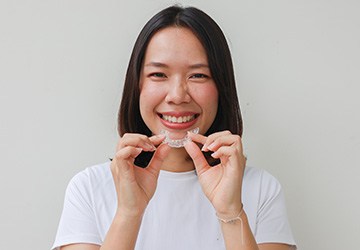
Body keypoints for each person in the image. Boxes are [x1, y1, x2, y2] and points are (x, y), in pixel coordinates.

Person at [52, 5, 296, 250]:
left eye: (198, 75)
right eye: (158, 74)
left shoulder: (261, 189)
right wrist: (129, 213)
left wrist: (231, 212)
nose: (177, 96)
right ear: (136, 86)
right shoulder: (88, 188)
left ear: (221, 87)